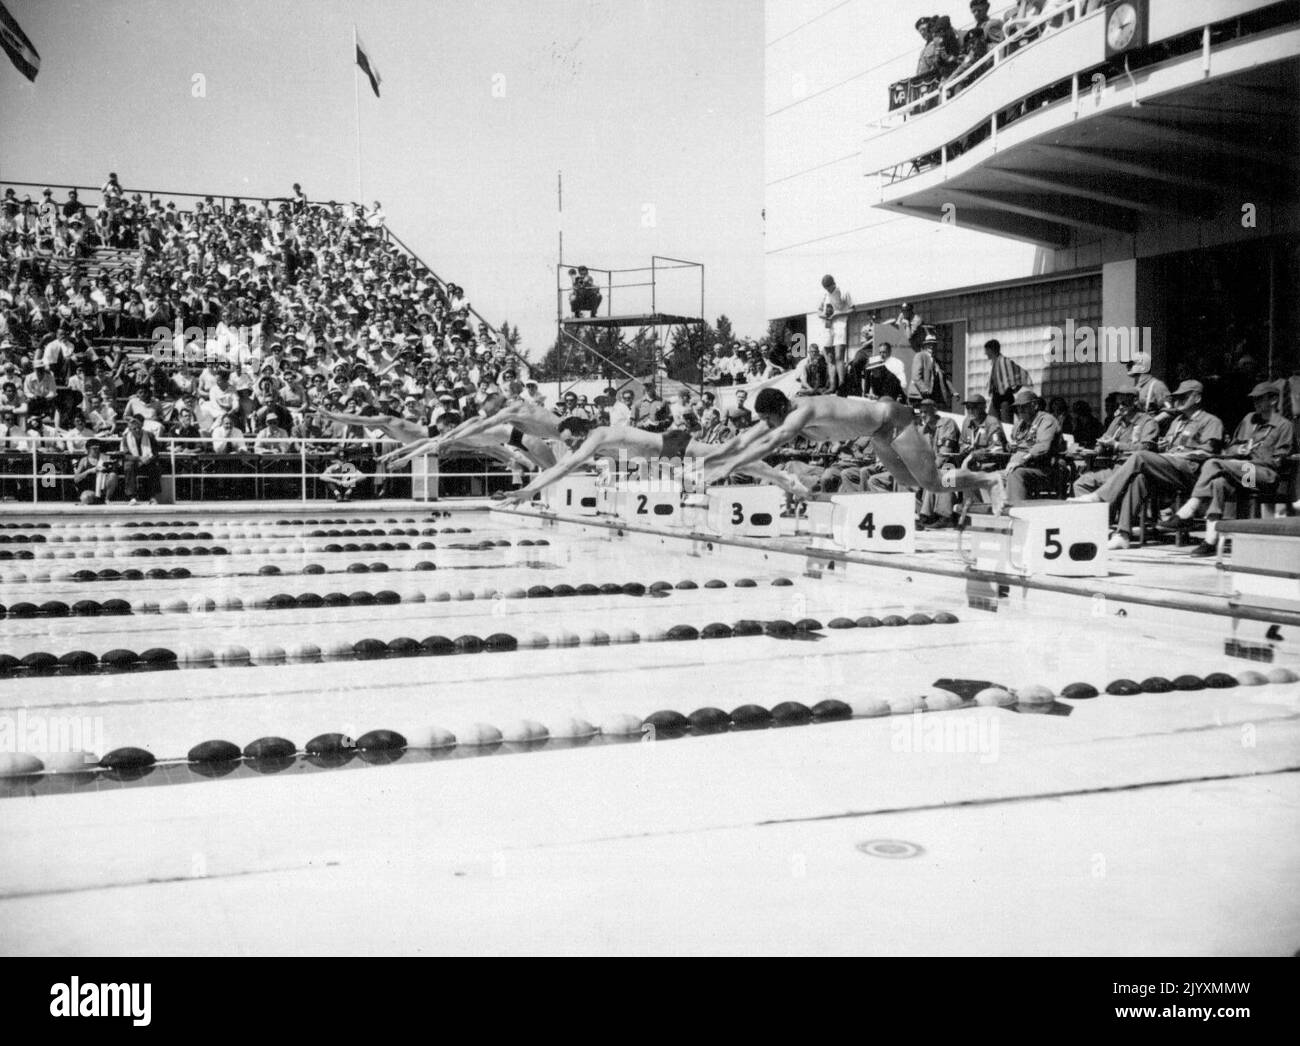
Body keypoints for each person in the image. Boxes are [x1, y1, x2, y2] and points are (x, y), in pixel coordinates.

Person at [700, 389, 1005, 512]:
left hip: (893, 420)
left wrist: (728, 468)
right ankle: (980, 481)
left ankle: (988, 480)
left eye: (768, 419)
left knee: (932, 482)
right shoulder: (782, 414)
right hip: (878, 435)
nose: (765, 425)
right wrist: (708, 461)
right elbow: (740, 441)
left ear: (779, 409)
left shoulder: (803, 411)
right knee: (915, 483)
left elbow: (770, 443)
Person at [500, 416, 812, 505]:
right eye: (568, 443)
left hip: (671, 446)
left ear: (584, 432)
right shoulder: (585, 444)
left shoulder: (599, 434)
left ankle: (783, 477)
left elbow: (566, 465)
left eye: (572, 441)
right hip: (661, 459)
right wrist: (530, 489)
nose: (571, 447)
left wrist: (530, 491)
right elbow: (559, 467)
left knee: (737, 458)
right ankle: (782, 479)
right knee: (733, 460)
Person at [1072, 380, 1224, 550]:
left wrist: (1177, 453)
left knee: (1140, 457)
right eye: (1176, 397)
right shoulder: (1177, 422)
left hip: (1192, 472)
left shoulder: (1210, 421)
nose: (1178, 400)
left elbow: (1208, 453)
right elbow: (1164, 445)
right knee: (1139, 478)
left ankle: (1100, 496)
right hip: (1169, 469)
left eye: (1183, 396)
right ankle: (1122, 534)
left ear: (1197, 398)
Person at [1163, 381, 1294, 556]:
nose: (1256, 403)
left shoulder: (1284, 425)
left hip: (1263, 477)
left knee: (1213, 463)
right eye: (1254, 400)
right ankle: (1210, 540)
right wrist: (1238, 451)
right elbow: (1230, 447)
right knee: (1218, 482)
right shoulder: (1249, 420)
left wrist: (1250, 460)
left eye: (1260, 399)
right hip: (1243, 474)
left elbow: (1279, 461)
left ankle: (1188, 510)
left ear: (1273, 400)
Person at [1071, 388, 1158, 496]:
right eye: (1118, 404)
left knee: (1106, 492)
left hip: (1133, 471)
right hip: (1115, 468)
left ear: (1135, 401)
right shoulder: (1117, 420)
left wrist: (1117, 445)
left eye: (1124, 403)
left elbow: (1145, 448)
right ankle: (1096, 512)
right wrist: (1097, 449)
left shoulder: (1147, 421)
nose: (1120, 407)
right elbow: (1105, 438)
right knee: (1081, 483)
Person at [1002, 389, 1062, 503]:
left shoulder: (1046, 420)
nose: (1020, 411)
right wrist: (1011, 447)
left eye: (1023, 407)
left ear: (1034, 405)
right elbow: (1015, 440)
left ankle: (1018, 512)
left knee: (1016, 474)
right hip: (1022, 467)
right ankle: (990, 514)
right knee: (989, 477)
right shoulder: (1021, 424)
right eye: (1017, 408)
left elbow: (1043, 446)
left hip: (1044, 469)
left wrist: (1021, 460)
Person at [917, 399, 960, 527]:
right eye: (921, 412)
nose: (923, 415)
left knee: (942, 473)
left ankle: (945, 516)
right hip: (933, 466)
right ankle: (923, 515)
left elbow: (945, 454)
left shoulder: (947, 423)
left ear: (934, 410)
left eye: (926, 411)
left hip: (952, 463)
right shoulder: (922, 431)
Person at [817, 275, 852, 395]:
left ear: (834, 283)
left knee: (839, 356)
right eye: (826, 288)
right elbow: (818, 311)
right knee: (829, 358)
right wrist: (825, 316)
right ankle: (832, 385)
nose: (828, 290)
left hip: (840, 325)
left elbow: (853, 309)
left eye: (829, 287)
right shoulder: (825, 295)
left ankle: (842, 385)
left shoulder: (843, 291)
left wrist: (837, 314)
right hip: (827, 326)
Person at [120, 415, 161, 504]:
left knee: (155, 467)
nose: (137, 430)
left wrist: (149, 459)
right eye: (134, 429)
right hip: (134, 462)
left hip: (147, 461)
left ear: (141, 426)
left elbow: (156, 452)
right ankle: (132, 497)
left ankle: (152, 496)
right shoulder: (125, 437)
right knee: (128, 466)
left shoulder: (149, 435)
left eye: (139, 428)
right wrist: (139, 458)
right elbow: (126, 455)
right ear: (130, 429)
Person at [985, 339, 1027, 423]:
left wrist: (1014, 390)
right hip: (995, 397)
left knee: (1006, 423)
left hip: (1005, 399)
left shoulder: (1005, 362)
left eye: (987, 351)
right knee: (991, 422)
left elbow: (1023, 376)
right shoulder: (992, 363)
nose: (986, 353)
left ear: (991, 350)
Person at [72, 438, 119, 504]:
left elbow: (114, 473)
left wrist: (107, 468)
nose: (97, 450)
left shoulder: (106, 458)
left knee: (112, 475)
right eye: (94, 448)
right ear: (88, 449)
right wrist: (89, 471)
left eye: (98, 448)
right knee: (85, 498)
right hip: (90, 489)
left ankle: (107, 499)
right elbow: (76, 479)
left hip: (103, 488)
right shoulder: (84, 460)